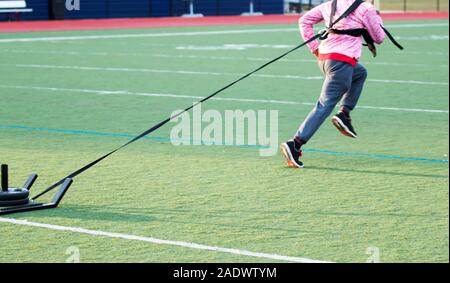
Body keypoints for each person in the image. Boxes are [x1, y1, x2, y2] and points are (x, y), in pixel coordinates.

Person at [280, 0, 385, 168]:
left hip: (326, 59)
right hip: (341, 62)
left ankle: (344, 114)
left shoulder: (332, 3)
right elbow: (379, 38)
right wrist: (378, 19)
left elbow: (304, 21)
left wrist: (315, 48)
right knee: (325, 105)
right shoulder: (366, 8)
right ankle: (295, 143)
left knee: (360, 73)